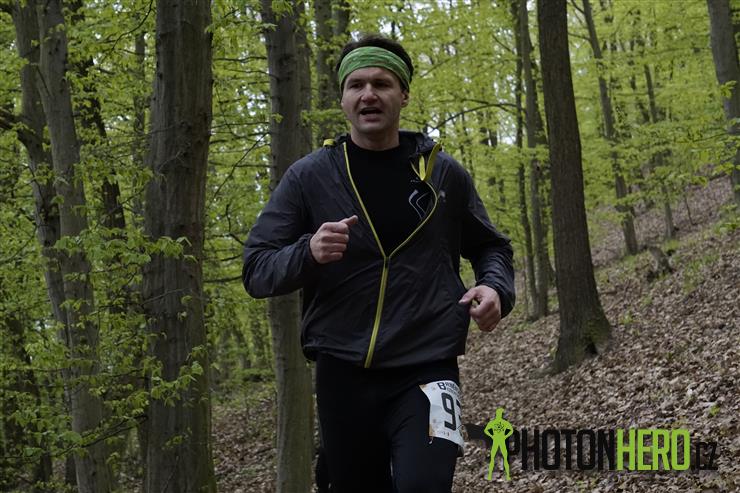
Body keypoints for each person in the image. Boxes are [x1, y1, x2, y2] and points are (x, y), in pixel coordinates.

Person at [242, 33, 515, 493]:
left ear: (403, 95)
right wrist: (307, 252)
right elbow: (256, 268)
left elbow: (492, 247)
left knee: (424, 486)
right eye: (357, 85)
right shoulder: (310, 176)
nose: (368, 94)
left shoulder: (442, 174)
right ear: (343, 99)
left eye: (382, 83)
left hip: (428, 365)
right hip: (343, 372)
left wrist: (495, 288)